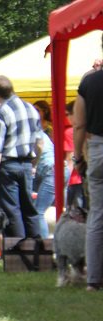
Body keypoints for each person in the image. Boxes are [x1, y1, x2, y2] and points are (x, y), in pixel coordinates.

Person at [0, 75, 42, 239]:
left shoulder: (1, 115)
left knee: (11, 210)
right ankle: (36, 250)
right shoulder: (32, 109)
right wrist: (33, 164)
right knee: (29, 209)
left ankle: (18, 252)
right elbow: (40, 144)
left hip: (8, 166)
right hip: (26, 164)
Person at [74, 54, 103, 291]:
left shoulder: (89, 83)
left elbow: (79, 124)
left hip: (97, 149)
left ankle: (94, 279)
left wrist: (77, 156)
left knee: (97, 215)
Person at [33, 126, 56, 239]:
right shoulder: (43, 133)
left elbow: (39, 146)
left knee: (38, 212)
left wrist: (34, 164)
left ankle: (45, 247)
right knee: (60, 211)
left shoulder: (34, 133)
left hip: (50, 172)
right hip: (60, 170)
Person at [64, 101, 86, 210]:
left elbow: (70, 158)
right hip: (87, 176)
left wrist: (65, 178)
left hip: (74, 178)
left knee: (76, 212)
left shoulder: (70, 132)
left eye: (67, 114)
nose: (67, 118)